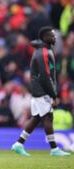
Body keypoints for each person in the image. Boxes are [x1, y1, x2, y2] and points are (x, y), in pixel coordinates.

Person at [11, 27, 71, 157]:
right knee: (48, 117)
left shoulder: (43, 51)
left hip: (39, 89)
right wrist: (53, 94)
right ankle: (54, 149)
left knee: (37, 117)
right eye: (52, 35)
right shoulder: (44, 52)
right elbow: (45, 76)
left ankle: (19, 143)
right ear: (45, 37)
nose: (54, 37)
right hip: (42, 90)